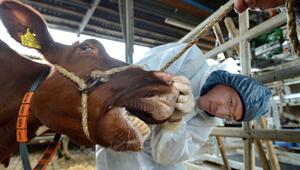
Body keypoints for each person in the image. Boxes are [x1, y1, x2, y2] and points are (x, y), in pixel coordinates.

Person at [95, 43, 272, 170]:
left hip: (150, 159)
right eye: (230, 102)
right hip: (121, 136)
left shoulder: (205, 123)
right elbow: (136, 75)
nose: (220, 111)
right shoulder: (190, 59)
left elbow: (165, 157)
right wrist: (164, 90)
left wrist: (175, 122)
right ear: (228, 82)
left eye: (229, 116)